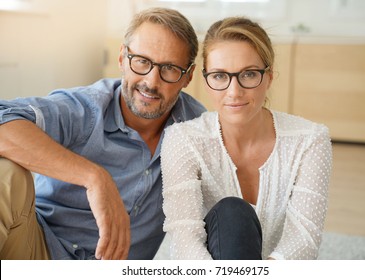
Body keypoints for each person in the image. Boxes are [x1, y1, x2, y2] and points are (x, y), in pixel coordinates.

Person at [0, 7, 205, 260]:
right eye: (141, 61)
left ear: (188, 76)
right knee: (6, 174)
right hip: (40, 250)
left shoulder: (196, 128)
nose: (151, 82)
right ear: (122, 58)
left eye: (170, 69)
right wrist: (94, 177)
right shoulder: (85, 108)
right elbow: (3, 119)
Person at [161, 17, 332, 260]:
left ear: (269, 77)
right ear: (206, 80)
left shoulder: (310, 141)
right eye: (220, 76)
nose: (234, 91)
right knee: (233, 213)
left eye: (249, 74)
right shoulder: (183, 140)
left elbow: (304, 239)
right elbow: (184, 241)